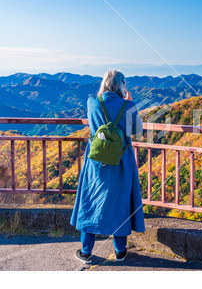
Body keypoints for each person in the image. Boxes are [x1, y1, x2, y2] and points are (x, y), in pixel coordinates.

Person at [71, 70, 145, 264]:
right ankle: (120, 251)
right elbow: (137, 130)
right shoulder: (127, 106)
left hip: (96, 161)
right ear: (122, 85)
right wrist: (130, 102)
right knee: (119, 202)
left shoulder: (92, 103)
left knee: (91, 199)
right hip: (121, 161)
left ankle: (86, 251)